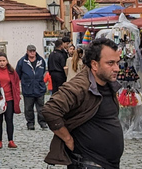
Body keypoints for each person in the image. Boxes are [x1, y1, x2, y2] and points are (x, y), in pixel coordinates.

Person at [42, 37, 124, 169]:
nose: (116, 68)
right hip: (88, 163)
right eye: (110, 63)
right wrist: (67, 138)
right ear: (95, 65)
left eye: (117, 63)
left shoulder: (107, 84)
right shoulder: (80, 86)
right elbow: (50, 110)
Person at [16, 44, 48, 130]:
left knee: (41, 108)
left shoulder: (41, 60)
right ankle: (30, 123)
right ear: (27, 51)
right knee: (28, 108)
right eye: (30, 51)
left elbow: (44, 70)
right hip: (28, 88)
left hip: (39, 88)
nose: (32, 53)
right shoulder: (22, 62)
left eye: (34, 51)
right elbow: (17, 74)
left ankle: (42, 123)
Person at [0, 52, 21, 148]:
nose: (2, 63)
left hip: (9, 98)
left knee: (9, 120)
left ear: (7, 61)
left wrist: (17, 97)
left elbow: (16, 84)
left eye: (3, 61)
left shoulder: (12, 71)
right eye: (0, 61)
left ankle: (10, 140)